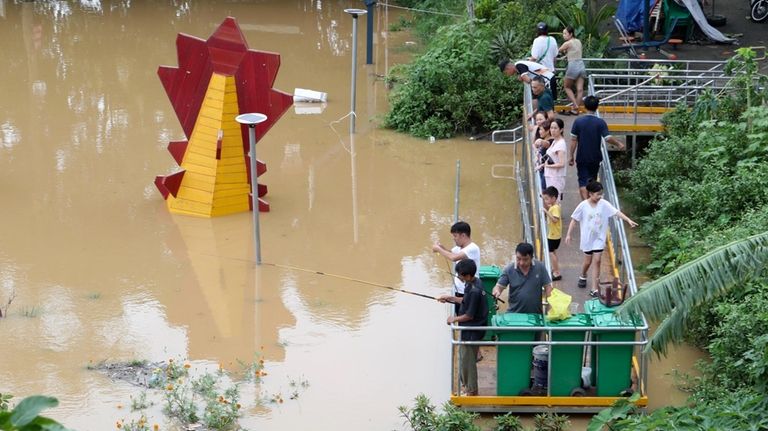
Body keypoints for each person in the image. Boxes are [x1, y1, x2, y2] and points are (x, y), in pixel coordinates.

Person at [565, 181, 638, 296]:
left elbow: (616, 212)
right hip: (587, 239)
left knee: (597, 261)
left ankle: (594, 288)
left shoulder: (604, 204)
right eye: (597, 194)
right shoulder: (583, 205)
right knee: (587, 262)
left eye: (601, 194)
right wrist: (568, 234)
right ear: (590, 194)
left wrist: (628, 220)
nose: (600, 196)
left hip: (599, 238)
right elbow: (574, 219)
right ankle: (583, 275)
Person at [438, 259, 489, 397]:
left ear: (466, 275)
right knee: (464, 358)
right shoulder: (473, 282)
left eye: (460, 275)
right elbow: (464, 301)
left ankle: (471, 391)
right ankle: (467, 385)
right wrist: (449, 298)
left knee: (468, 361)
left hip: (473, 330)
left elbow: (469, 315)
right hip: (473, 328)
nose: (458, 277)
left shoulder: (474, 290)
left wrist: (453, 319)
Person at [569, 96, 625, 200]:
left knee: (582, 181)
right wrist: (618, 144)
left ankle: (586, 203)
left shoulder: (578, 122)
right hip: (595, 157)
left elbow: (573, 140)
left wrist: (571, 156)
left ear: (585, 106)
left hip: (582, 157)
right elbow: (608, 138)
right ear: (597, 107)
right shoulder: (600, 123)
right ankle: (591, 202)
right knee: (592, 180)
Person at [432, 221, 481, 312]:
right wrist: (441, 247)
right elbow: (450, 253)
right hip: (458, 289)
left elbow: (454, 257)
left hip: (468, 290)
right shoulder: (459, 248)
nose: (454, 239)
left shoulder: (472, 248)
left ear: (463, 235)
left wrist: (438, 249)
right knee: (459, 313)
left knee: (466, 314)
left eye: (455, 236)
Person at [492, 243, 553, 313]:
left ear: (531, 258)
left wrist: (551, 308)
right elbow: (498, 287)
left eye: (525, 259)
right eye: (518, 259)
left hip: (535, 315)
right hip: (514, 314)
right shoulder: (509, 269)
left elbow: (548, 287)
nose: (521, 263)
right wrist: (496, 291)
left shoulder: (540, 267)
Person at [558, 26, 586, 115]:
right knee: (580, 89)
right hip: (581, 65)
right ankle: (575, 110)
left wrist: (562, 54)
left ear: (570, 34)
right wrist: (566, 55)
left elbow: (557, 51)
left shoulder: (568, 43)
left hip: (573, 65)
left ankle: (575, 105)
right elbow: (575, 52)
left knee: (566, 87)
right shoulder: (578, 41)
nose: (564, 35)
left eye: (565, 33)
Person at [529, 22, 559, 100]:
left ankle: (541, 111)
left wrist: (528, 63)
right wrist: (554, 67)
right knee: (550, 95)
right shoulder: (552, 39)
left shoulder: (537, 41)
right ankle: (550, 111)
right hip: (550, 72)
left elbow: (534, 57)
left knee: (539, 95)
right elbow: (555, 57)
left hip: (540, 72)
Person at [538, 118, 567, 198]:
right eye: (551, 128)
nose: (552, 130)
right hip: (550, 176)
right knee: (549, 201)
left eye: (555, 128)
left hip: (556, 178)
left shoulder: (561, 144)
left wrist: (548, 166)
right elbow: (554, 159)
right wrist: (543, 165)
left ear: (561, 130)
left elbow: (561, 163)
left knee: (554, 201)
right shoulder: (555, 141)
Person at [542, 186, 562, 281]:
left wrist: (546, 211)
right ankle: (555, 269)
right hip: (554, 234)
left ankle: (556, 272)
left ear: (553, 198)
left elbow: (555, 219)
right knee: (553, 252)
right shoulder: (554, 207)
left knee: (551, 253)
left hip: (554, 235)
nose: (545, 201)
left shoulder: (555, 208)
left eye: (547, 199)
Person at [534, 119, 551, 189]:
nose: (539, 132)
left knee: (543, 190)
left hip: (546, 171)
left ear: (547, 131)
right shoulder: (547, 139)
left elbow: (546, 144)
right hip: (542, 170)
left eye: (541, 130)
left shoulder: (550, 141)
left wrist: (540, 141)